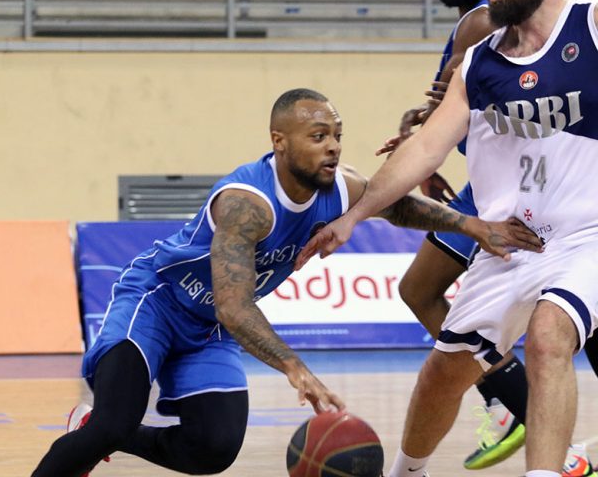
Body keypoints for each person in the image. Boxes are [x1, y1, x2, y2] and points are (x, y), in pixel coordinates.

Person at [30, 88, 542, 477]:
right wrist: (294, 368)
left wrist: (473, 225)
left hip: (207, 330)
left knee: (212, 450)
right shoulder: (246, 204)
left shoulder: (341, 188)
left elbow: (397, 205)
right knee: (114, 421)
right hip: (158, 303)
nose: (333, 147)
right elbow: (234, 307)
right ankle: (98, 430)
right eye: (318, 137)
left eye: (337, 135)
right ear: (279, 142)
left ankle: (96, 430)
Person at [296, 0, 598, 476]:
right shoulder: (479, 62)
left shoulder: (590, 24)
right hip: (511, 244)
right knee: (443, 373)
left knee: (550, 335)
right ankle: (405, 473)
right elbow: (426, 150)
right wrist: (354, 216)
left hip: (586, 236)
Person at [380, 0, 531, 471]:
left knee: (425, 295)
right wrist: (421, 125)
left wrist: (423, 147)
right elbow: (457, 103)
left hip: (503, 192)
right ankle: (508, 403)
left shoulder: (483, 21)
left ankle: (520, 412)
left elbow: (477, 104)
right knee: (424, 295)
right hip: (487, 184)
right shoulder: (476, 20)